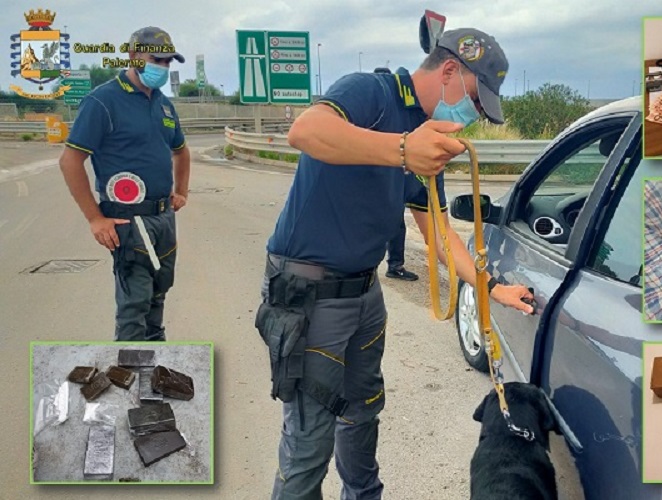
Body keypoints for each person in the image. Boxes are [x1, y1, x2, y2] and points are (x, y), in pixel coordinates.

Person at [256, 28, 532, 499]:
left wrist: (489, 289)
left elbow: (442, 236)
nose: (470, 118)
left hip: (363, 294)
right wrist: (403, 150)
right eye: (473, 101)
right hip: (308, 294)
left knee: (362, 417)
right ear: (448, 71)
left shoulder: (425, 143)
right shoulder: (371, 92)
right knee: (308, 447)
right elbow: (305, 131)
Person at [59, 27, 189, 341]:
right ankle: (129, 380)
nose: (163, 66)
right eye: (156, 59)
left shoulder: (163, 104)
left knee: (157, 301)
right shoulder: (103, 101)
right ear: (133, 56)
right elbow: (70, 161)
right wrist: (94, 218)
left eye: (168, 61)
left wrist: (181, 192)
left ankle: (154, 373)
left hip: (162, 219)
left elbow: (181, 151)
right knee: (135, 308)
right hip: (128, 221)